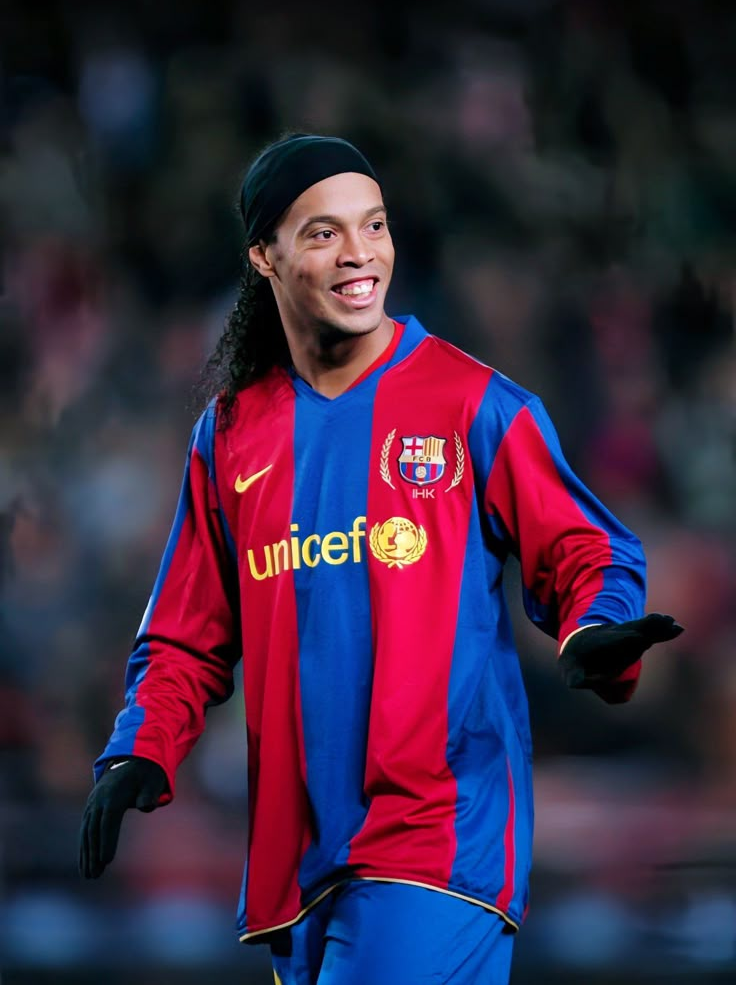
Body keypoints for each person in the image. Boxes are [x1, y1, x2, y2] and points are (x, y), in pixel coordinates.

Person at [79, 133, 683, 985]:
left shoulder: (474, 402)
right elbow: (186, 634)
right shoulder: (230, 435)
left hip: (439, 837)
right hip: (299, 865)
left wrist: (596, 625)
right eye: (323, 232)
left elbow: (586, 548)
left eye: (375, 225)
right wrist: (139, 748)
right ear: (264, 256)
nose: (361, 253)